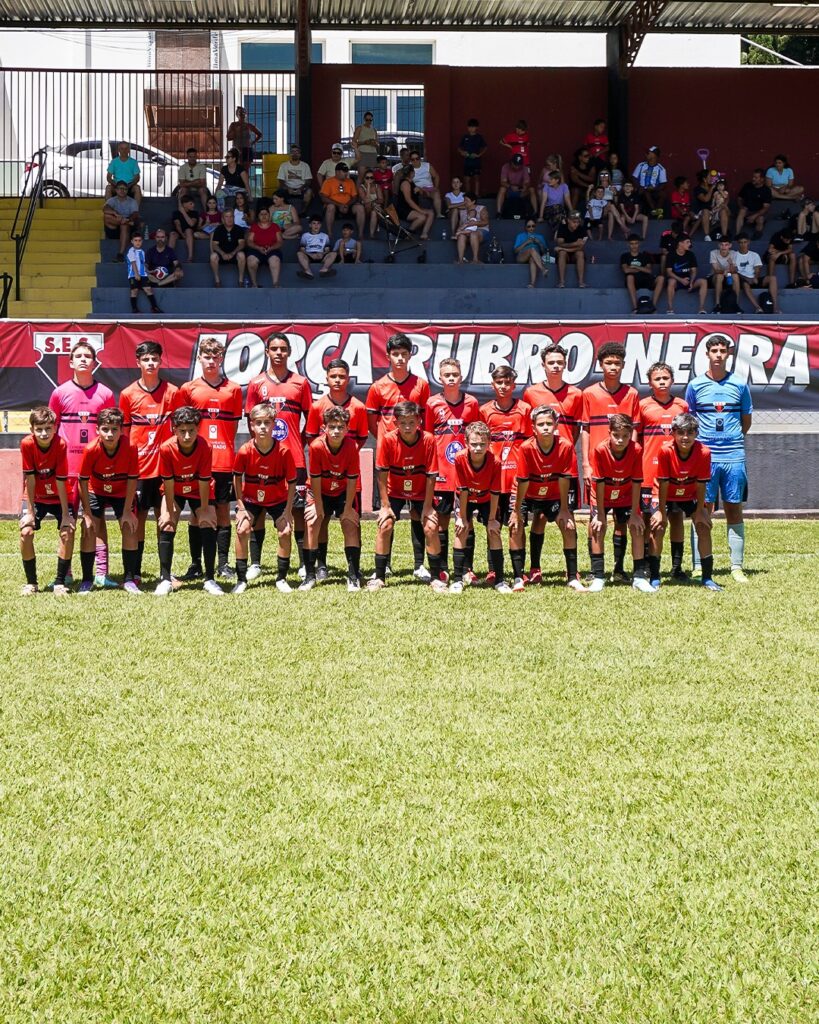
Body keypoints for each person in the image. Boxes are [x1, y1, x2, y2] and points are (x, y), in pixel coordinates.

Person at [245, 332, 313, 581]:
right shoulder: (256, 383)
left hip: (293, 458)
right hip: (262, 459)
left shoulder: (300, 383)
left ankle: (304, 563)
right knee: (258, 509)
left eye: (283, 349)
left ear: (289, 352)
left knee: (298, 511)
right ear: (267, 352)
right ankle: (255, 563)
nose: (279, 353)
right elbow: (250, 420)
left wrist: (298, 442)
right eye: (274, 349)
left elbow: (311, 420)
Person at [685, 334, 753, 583]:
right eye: (714, 351)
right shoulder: (695, 386)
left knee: (734, 508)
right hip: (705, 458)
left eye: (722, 351)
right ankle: (697, 566)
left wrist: (731, 440)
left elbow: (746, 421)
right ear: (707, 354)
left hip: (733, 455)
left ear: (728, 354)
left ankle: (736, 567)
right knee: (702, 510)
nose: (718, 355)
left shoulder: (739, 385)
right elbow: (690, 420)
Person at [48, 340, 116, 589]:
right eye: (78, 356)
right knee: (68, 521)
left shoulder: (106, 394)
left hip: (95, 471)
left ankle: (101, 573)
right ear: (71, 362)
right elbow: (51, 431)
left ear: (95, 362)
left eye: (88, 356)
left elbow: (112, 431)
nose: (84, 359)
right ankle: (66, 573)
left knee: (96, 520)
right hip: (67, 470)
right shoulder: (59, 393)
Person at [178, 337, 243, 581]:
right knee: (197, 513)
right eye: (207, 356)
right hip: (197, 463)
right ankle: (196, 564)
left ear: (222, 358)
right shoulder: (188, 389)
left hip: (223, 461)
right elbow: (183, 426)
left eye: (216, 357)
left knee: (223, 510)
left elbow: (232, 428)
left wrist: (222, 448)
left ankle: (223, 564)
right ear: (199, 358)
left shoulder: (233, 389)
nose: (212, 361)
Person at [368, 401, 446, 593]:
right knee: (385, 525)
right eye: (403, 423)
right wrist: (385, 506)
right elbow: (382, 473)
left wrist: (427, 507)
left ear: (419, 421)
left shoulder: (428, 439)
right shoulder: (387, 440)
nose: (408, 427)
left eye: (412, 422)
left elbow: (431, 475)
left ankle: (436, 577)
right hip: (394, 490)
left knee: (431, 526)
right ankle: (379, 577)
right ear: (395, 423)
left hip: (420, 491)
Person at [119, 340, 179, 583]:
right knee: (138, 520)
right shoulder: (127, 394)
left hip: (165, 469)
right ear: (138, 362)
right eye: (146, 359)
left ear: (160, 361)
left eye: (154, 358)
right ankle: (135, 572)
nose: (151, 363)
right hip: (140, 470)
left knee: (165, 519)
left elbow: (180, 430)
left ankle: (166, 574)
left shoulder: (173, 392)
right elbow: (124, 434)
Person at [581, 341, 640, 583]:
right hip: (599, 467)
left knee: (622, 520)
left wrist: (631, 458)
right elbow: (585, 429)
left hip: (624, 469)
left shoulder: (632, 394)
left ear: (623, 365)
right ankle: (596, 571)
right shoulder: (589, 393)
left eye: (617, 363)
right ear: (600, 365)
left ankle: (619, 568)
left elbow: (634, 431)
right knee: (596, 518)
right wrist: (586, 464)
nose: (613, 367)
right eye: (608, 363)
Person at [305, 358, 368, 581]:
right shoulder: (317, 406)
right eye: (333, 376)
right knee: (319, 520)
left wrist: (343, 455)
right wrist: (330, 456)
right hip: (323, 476)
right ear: (326, 378)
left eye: (342, 376)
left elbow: (361, 438)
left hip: (347, 476)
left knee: (352, 521)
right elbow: (311, 437)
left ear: (348, 378)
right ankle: (320, 565)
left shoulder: (358, 407)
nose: (338, 380)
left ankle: (354, 570)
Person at [510, 406, 585, 591]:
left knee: (568, 526)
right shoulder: (526, 448)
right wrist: (516, 511)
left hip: (553, 494)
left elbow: (564, 479)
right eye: (541, 424)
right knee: (516, 527)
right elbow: (523, 481)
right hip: (526, 493)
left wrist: (565, 509)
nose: (545, 427)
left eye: (549, 423)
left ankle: (572, 576)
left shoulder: (566, 446)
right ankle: (519, 577)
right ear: (533, 428)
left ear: (556, 425)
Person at [649, 413, 721, 591]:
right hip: (666, 492)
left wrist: (700, 511)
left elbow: (701, 484)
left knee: (703, 526)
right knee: (658, 527)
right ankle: (655, 577)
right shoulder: (665, 450)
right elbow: (664, 483)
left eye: (690, 432)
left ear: (697, 433)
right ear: (673, 433)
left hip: (690, 494)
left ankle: (707, 578)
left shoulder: (704, 452)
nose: (685, 437)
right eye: (681, 432)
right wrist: (661, 512)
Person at [232, 403, 297, 596]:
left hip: (277, 499)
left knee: (285, 531)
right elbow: (237, 478)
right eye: (258, 423)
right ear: (251, 425)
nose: (262, 427)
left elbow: (292, 482)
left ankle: (281, 578)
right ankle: (241, 579)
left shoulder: (284, 451)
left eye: (267, 423)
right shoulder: (245, 450)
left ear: (274, 425)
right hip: (251, 499)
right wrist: (241, 507)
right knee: (242, 529)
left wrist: (288, 511)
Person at [523, 342, 583, 549]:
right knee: (539, 516)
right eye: (551, 362)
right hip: (540, 465)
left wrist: (563, 449)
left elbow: (575, 430)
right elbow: (530, 429)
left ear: (565, 364)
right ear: (543, 365)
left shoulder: (576, 394)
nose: (556, 366)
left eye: (559, 362)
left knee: (568, 518)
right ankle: (535, 565)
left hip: (565, 465)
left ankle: (572, 566)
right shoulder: (531, 393)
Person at [424, 358, 481, 576]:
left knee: (466, 521)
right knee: (442, 521)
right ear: (440, 378)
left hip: (465, 474)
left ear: (461, 377)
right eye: (447, 375)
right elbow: (428, 438)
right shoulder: (432, 403)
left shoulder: (471, 403)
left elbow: (476, 436)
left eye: (455, 375)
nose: (451, 378)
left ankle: (467, 569)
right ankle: (443, 569)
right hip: (441, 474)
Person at [155, 406, 220, 597]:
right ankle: (165, 579)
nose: (187, 435)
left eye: (191, 430)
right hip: (174, 489)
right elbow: (168, 482)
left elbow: (204, 481)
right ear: (174, 429)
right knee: (166, 523)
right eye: (182, 431)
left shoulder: (205, 447)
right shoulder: (166, 448)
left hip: (198, 489)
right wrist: (168, 511)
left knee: (208, 521)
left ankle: (209, 579)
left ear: (198, 428)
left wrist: (205, 509)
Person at [588, 414, 654, 593]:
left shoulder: (636, 449)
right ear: (609, 432)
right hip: (603, 494)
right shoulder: (600, 449)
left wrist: (635, 513)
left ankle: (639, 577)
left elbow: (636, 481)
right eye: (616, 435)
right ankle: (598, 577)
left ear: (631, 434)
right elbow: (599, 482)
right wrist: (600, 514)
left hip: (626, 493)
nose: (620, 440)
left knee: (637, 527)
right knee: (598, 527)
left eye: (625, 436)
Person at [637, 362, 689, 586]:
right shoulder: (643, 405)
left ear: (672, 381)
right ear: (650, 383)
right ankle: (648, 565)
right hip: (650, 471)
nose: (662, 382)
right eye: (657, 379)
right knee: (649, 518)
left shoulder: (682, 405)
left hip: (676, 473)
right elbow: (637, 439)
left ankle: (677, 567)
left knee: (676, 517)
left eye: (665, 378)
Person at [480, 365, 531, 591]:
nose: (503, 386)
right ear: (493, 385)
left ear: (514, 385)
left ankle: (519, 574)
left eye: (507, 382)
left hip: (516, 481)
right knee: (493, 526)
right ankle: (494, 570)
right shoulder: (484, 411)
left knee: (516, 525)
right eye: (499, 382)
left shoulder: (525, 409)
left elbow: (530, 444)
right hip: (493, 481)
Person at [78, 408, 139, 593]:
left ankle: (129, 580)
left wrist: (127, 511)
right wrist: (86, 513)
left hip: (121, 492)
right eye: (105, 429)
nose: (110, 434)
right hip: (96, 490)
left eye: (114, 429)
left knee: (129, 527)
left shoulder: (130, 447)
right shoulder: (91, 449)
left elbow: (132, 479)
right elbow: (83, 481)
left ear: (121, 430)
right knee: (89, 528)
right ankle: (87, 580)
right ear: (97, 430)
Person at [302, 406, 361, 592]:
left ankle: (353, 576)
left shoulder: (352, 447)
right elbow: (315, 479)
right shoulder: (316, 446)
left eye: (341, 427)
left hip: (343, 491)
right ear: (324, 428)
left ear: (347, 428)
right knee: (313, 522)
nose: (336, 431)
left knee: (350, 524)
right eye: (332, 426)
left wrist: (348, 508)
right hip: (319, 491)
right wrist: (318, 506)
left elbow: (352, 480)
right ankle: (310, 576)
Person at [18, 406, 75, 596]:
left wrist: (66, 514)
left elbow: (61, 481)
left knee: (68, 532)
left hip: (60, 496)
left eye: (48, 428)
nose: (44, 433)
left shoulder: (61, 444)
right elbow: (30, 479)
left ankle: (60, 582)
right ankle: (31, 583)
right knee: (26, 532)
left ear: (55, 428)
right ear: (32, 429)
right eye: (39, 429)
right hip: (36, 497)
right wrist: (30, 512)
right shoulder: (27, 444)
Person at [450, 421, 508, 594]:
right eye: (474, 444)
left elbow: (496, 492)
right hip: (466, 496)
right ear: (466, 443)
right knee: (461, 530)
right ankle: (458, 580)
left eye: (482, 444)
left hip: (487, 498)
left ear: (489, 443)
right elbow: (463, 490)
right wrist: (462, 518)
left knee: (494, 531)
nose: (478, 448)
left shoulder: (495, 461)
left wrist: (492, 519)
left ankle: (499, 580)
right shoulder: (460, 458)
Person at [735, 232, 780, 314]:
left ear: (748, 242)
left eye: (745, 242)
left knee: (772, 278)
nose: (743, 245)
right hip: (742, 279)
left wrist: (755, 277)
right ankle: (758, 308)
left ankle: (775, 307)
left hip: (753, 279)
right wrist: (747, 278)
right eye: (741, 243)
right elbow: (734, 271)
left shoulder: (754, 255)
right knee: (745, 284)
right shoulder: (734, 255)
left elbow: (757, 268)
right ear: (738, 243)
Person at [663, 236, 708, 315]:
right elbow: (669, 272)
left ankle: (701, 308)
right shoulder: (671, 254)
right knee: (671, 281)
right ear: (680, 243)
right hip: (677, 281)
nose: (690, 244)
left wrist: (691, 281)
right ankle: (670, 308)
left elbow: (694, 271)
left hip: (688, 281)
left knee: (703, 282)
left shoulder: (690, 254)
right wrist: (681, 280)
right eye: (687, 242)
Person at [320, 162, 365, 238]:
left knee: (360, 207)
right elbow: (323, 198)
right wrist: (339, 205)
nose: (346, 173)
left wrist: (347, 205)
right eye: (344, 171)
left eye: (347, 171)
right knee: (330, 207)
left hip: (347, 206)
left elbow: (355, 197)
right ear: (337, 172)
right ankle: (329, 233)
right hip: (335, 207)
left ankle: (360, 234)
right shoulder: (328, 181)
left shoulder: (350, 181)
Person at [621, 234, 664, 313]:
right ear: (628, 244)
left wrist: (635, 266)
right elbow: (626, 270)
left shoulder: (645, 256)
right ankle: (635, 308)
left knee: (661, 278)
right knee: (629, 277)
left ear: (639, 244)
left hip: (646, 279)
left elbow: (649, 271)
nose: (634, 246)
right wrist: (642, 269)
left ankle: (652, 307)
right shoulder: (625, 256)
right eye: (632, 244)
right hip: (634, 281)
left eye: (636, 243)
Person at [104, 180, 142, 263]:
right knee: (106, 216)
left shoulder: (132, 201)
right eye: (120, 188)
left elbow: (135, 214)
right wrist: (115, 213)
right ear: (116, 190)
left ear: (127, 191)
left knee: (124, 226)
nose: (122, 190)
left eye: (125, 189)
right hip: (115, 226)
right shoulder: (112, 200)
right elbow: (105, 209)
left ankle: (120, 254)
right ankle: (124, 221)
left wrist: (128, 220)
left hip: (127, 228)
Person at [245, 206, 283, 288]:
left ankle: (275, 284)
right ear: (258, 216)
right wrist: (258, 248)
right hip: (256, 250)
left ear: (269, 215)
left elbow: (280, 242)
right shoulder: (254, 226)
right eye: (261, 214)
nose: (264, 216)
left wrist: (271, 248)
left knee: (275, 259)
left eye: (266, 214)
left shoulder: (275, 226)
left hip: (272, 250)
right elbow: (249, 241)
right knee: (251, 260)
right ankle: (254, 284)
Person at [209, 208, 246, 287]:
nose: (229, 219)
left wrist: (233, 253)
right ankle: (217, 281)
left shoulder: (239, 229)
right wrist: (222, 254)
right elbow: (214, 245)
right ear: (223, 219)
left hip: (234, 255)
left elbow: (242, 244)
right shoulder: (219, 229)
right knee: (213, 256)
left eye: (231, 216)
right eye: (227, 217)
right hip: (222, 255)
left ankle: (241, 281)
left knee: (242, 255)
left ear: (234, 218)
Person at [126, 232, 161, 315]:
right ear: (132, 241)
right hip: (133, 275)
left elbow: (142, 263)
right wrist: (136, 274)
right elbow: (133, 263)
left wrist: (148, 271)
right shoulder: (131, 251)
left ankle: (154, 307)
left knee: (148, 289)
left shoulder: (142, 251)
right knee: (134, 290)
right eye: (135, 240)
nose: (137, 242)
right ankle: (134, 309)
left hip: (143, 274)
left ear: (142, 241)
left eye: (139, 240)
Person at [396, 166, 434, 240]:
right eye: (413, 171)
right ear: (411, 173)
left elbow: (422, 193)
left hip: (411, 208)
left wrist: (419, 189)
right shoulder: (405, 183)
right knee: (422, 217)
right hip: (404, 209)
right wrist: (420, 211)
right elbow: (408, 200)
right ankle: (407, 233)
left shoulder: (412, 182)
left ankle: (424, 234)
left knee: (431, 213)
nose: (414, 173)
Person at [554, 211, 588, 288]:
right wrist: (575, 243)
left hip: (574, 254)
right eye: (574, 222)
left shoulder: (581, 228)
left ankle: (581, 282)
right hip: (565, 255)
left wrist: (563, 248)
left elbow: (580, 247)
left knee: (580, 253)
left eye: (578, 222)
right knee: (562, 253)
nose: (576, 224)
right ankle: (561, 282)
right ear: (568, 220)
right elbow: (559, 243)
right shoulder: (562, 227)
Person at [497, 154, 536, 220]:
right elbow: (503, 182)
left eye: (519, 165)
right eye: (515, 164)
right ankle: (498, 212)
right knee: (502, 189)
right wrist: (510, 186)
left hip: (521, 191)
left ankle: (535, 212)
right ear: (511, 162)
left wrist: (525, 187)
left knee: (532, 189)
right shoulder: (505, 167)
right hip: (509, 190)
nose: (517, 167)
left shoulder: (524, 168)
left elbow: (527, 182)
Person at [735, 169, 772, 240]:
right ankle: (737, 235)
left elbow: (766, 208)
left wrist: (754, 216)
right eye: (753, 177)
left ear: (762, 179)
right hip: (747, 210)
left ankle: (757, 235)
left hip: (759, 212)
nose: (753, 179)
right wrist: (741, 206)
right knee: (742, 210)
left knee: (760, 219)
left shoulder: (766, 190)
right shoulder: (747, 186)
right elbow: (739, 198)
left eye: (756, 177)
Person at [632, 146, 667, 217]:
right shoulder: (641, 165)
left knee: (663, 194)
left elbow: (663, 184)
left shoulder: (661, 169)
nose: (646, 154)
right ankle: (655, 212)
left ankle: (655, 211)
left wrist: (654, 188)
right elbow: (634, 178)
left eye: (649, 153)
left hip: (654, 190)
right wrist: (639, 187)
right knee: (646, 192)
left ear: (654, 155)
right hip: (641, 189)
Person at [513, 219, 550, 288]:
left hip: (535, 257)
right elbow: (515, 251)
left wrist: (539, 242)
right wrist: (526, 242)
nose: (531, 228)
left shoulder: (540, 237)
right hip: (521, 257)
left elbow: (544, 252)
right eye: (529, 226)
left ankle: (532, 284)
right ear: (525, 227)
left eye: (533, 226)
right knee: (532, 250)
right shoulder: (520, 236)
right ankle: (543, 269)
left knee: (532, 259)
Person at [170, 195, 208, 262]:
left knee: (188, 230)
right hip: (179, 231)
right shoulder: (176, 213)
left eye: (193, 203)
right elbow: (177, 225)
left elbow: (191, 224)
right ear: (184, 204)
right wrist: (182, 234)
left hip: (190, 233)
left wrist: (184, 213)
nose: (193, 205)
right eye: (191, 204)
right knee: (172, 234)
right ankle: (169, 256)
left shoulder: (194, 213)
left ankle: (190, 257)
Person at [276, 144, 313, 210]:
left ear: (300, 154)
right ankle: (284, 211)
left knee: (309, 191)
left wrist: (301, 189)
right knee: (278, 192)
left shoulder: (305, 166)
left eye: (297, 152)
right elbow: (281, 181)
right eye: (292, 152)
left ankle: (303, 211)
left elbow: (308, 181)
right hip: (287, 188)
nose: (294, 154)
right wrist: (288, 188)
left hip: (301, 188)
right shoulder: (283, 165)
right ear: (290, 154)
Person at [408, 150, 443, 219]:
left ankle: (439, 214)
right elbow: (408, 181)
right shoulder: (409, 169)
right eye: (413, 159)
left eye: (417, 158)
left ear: (420, 159)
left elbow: (436, 176)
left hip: (429, 187)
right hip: (418, 189)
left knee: (436, 193)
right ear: (410, 161)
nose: (415, 161)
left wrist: (436, 187)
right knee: (419, 191)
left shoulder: (427, 165)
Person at [709, 236, 740, 311]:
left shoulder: (734, 253)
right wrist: (724, 271)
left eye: (726, 245)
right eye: (722, 245)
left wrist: (731, 264)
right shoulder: (713, 253)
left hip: (729, 277)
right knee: (720, 276)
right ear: (718, 245)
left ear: (730, 245)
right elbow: (716, 270)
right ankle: (717, 304)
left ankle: (736, 304)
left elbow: (734, 270)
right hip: (715, 278)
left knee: (735, 276)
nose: (724, 247)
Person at [458, 118, 487, 195]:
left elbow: (485, 147)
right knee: (467, 179)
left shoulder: (479, 137)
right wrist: (462, 152)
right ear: (467, 127)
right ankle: (468, 195)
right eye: (469, 126)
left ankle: (476, 195)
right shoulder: (465, 137)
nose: (471, 128)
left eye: (473, 127)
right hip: (467, 161)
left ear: (477, 127)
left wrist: (479, 155)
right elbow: (459, 148)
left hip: (476, 161)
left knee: (476, 178)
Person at [177, 146, 209, 211]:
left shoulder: (202, 167)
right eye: (190, 157)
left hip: (199, 189)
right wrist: (196, 181)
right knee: (182, 190)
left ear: (196, 157)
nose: (192, 158)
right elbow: (182, 184)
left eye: (194, 156)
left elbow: (202, 183)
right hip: (187, 189)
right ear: (187, 157)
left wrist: (187, 182)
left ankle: (207, 213)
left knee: (202, 190)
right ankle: (181, 212)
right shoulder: (182, 167)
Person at [357, 169, 382, 238]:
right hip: (366, 210)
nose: (369, 179)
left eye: (371, 177)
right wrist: (368, 187)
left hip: (375, 209)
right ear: (364, 179)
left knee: (374, 212)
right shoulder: (361, 188)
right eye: (367, 178)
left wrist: (373, 203)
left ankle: (371, 235)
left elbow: (381, 200)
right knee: (368, 204)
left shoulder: (377, 186)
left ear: (374, 179)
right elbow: (366, 200)